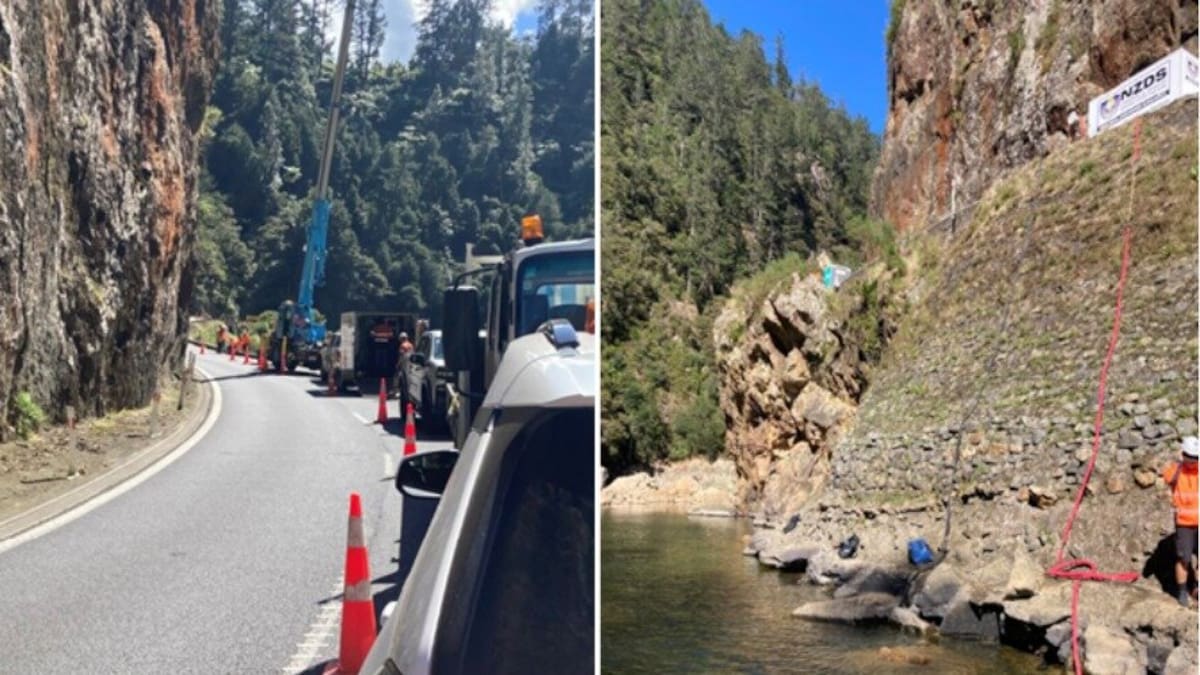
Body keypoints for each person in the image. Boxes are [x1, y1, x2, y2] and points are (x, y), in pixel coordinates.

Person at [1162, 436, 1199, 606]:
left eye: (1196, 457)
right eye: (1190, 457)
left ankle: (1197, 588)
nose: (1193, 461)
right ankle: (1182, 591)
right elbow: (1165, 478)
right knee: (1184, 559)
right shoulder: (1175, 471)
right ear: (1183, 454)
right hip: (1184, 523)